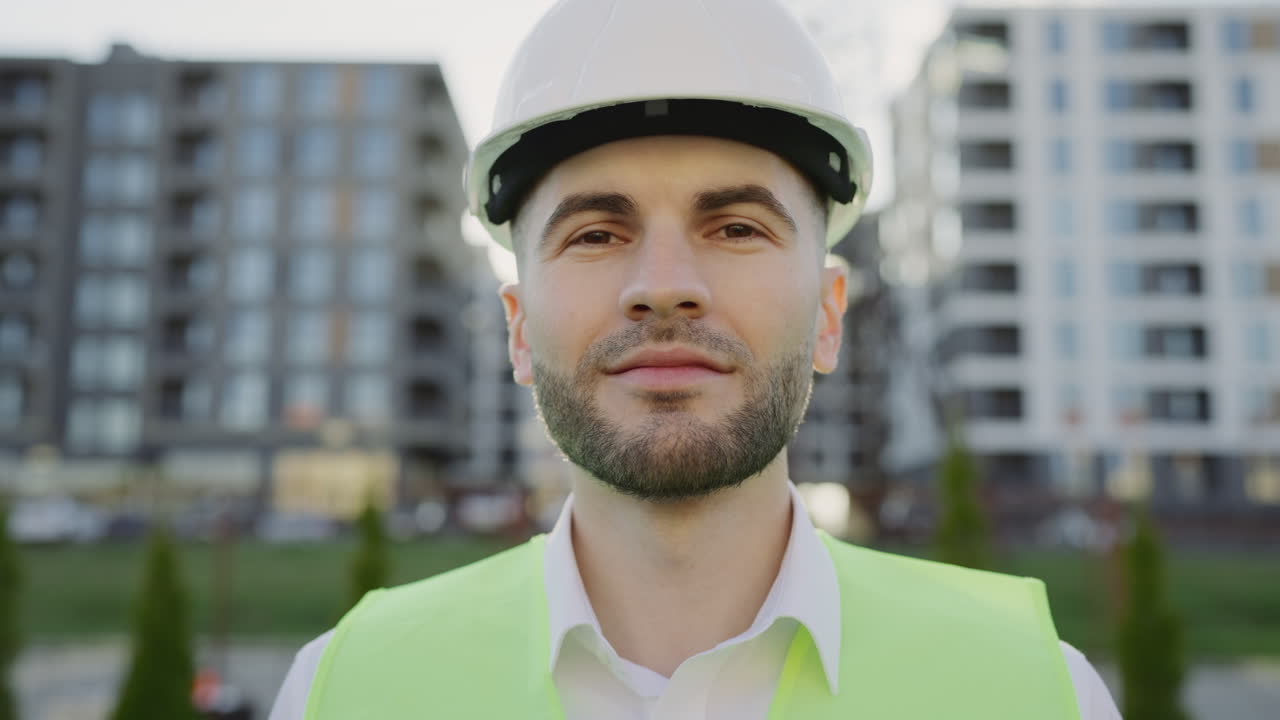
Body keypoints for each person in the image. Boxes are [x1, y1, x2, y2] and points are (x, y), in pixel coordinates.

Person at [269, 0, 1122, 717]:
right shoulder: (341, 690)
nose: (664, 286)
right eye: (597, 233)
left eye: (737, 228)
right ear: (518, 328)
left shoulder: (1044, 693)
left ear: (830, 317)